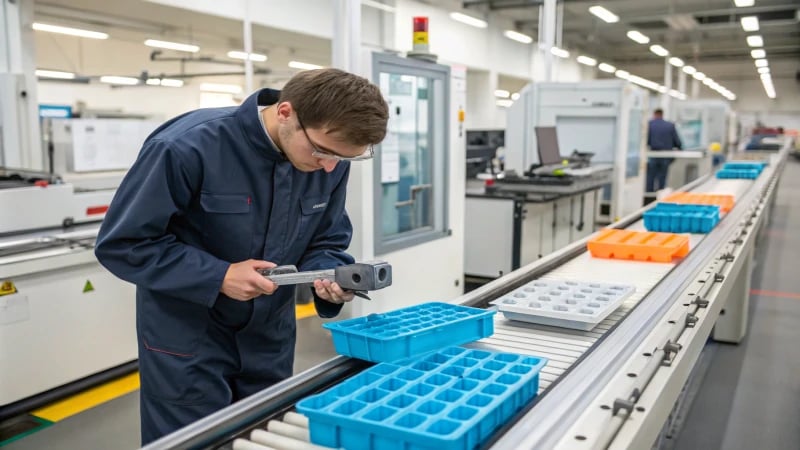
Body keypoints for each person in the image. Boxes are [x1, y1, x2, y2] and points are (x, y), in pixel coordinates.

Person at [94, 68, 389, 445]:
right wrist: (218, 276)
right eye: (322, 152)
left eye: (345, 159)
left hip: (269, 340)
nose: (329, 167)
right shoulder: (187, 146)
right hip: (187, 340)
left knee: (262, 437)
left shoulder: (328, 161)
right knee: (194, 441)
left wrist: (326, 277)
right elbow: (123, 243)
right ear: (286, 113)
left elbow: (327, 238)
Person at [646, 108, 683, 193]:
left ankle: (649, 197)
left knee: (651, 177)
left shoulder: (650, 124)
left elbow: (646, 140)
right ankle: (660, 195)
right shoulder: (670, 125)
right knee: (662, 177)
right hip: (666, 155)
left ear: (654, 114)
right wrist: (680, 148)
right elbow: (677, 141)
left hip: (653, 154)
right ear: (662, 114)